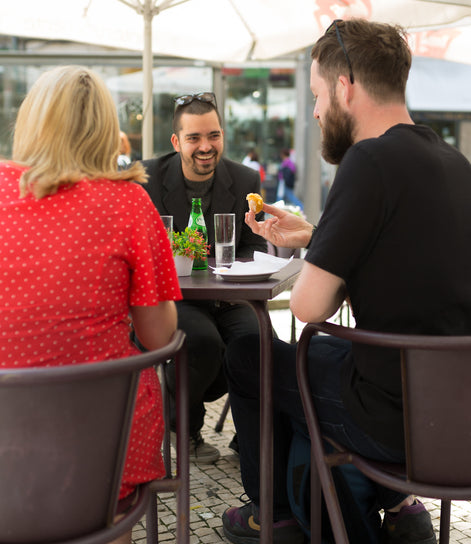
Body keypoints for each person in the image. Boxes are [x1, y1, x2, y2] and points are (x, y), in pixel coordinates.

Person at [222, 18, 471, 544]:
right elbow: (411, 266)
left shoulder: (367, 160)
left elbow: (309, 306)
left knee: (250, 356)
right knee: (308, 366)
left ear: (345, 86)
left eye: (317, 94)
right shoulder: (454, 162)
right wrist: (318, 237)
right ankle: (392, 511)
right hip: (456, 414)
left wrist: (320, 253)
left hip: (393, 416)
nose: (315, 111)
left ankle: (276, 515)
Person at [0, 65, 182, 544]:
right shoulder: (129, 203)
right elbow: (159, 336)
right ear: (106, 130)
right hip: (100, 451)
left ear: (31, 121)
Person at [140, 92, 267, 464]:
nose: (206, 146)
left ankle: (252, 439)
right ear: (176, 141)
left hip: (228, 295)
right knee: (204, 344)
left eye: (213, 135)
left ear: (222, 135)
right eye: (194, 138)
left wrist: (235, 276)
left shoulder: (245, 179)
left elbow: (252, 246)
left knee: (260, 342)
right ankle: (183, 425)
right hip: (175, 297)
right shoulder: (147, 178)